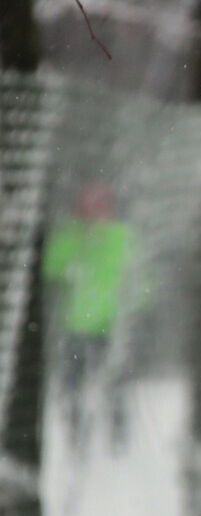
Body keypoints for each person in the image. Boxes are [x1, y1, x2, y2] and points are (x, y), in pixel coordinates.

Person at [42, 182, 135, 450]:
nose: (95, 211)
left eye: (101, 203)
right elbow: (52, 270)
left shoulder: (121, 237)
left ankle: (117, 439)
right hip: (74, 326)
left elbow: (138, 278)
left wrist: (132, 309)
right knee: (74, 387)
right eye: (89, 204)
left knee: (115, 385)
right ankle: (75, 437)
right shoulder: (69, 235)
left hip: (110, 324)